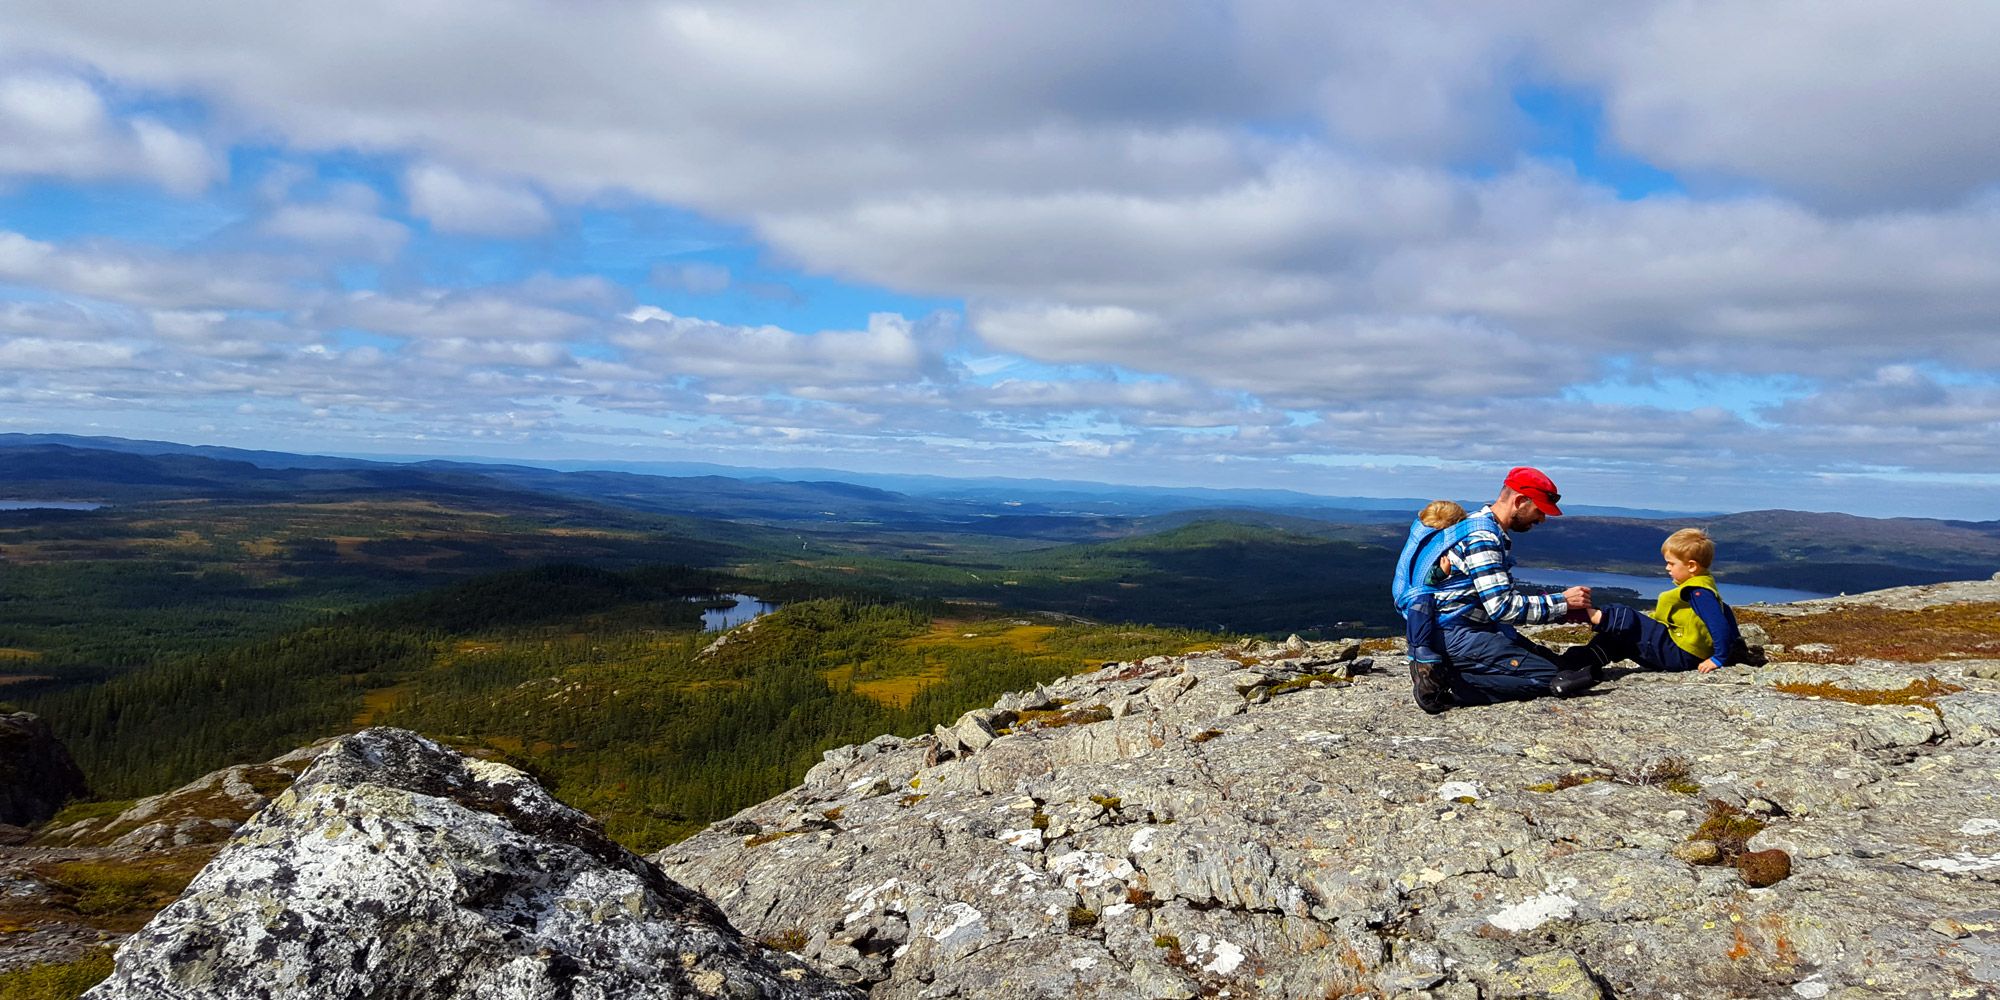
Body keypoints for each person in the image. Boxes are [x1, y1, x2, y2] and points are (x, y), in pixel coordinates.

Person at [1413, 467, 1595, 711]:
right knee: (1553, 678)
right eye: (1539, 510)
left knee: (1564, 669)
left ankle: (1456, 673)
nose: (1541, 519)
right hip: (1458, 635)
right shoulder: (1483, 538)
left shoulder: (1476, 525)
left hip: (1459, 630)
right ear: (1519, 501)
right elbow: (1502, 608)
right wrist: (1563, 602)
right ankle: (1453, 684)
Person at [1552, 528, 1742, 693]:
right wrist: (1737, 643)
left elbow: (1719, 624)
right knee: (1615, 638)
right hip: (1676, 652)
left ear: (1691, 566)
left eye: (1672, 563)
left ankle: (1582, 614)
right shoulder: (1703, 587)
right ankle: (1566, 665)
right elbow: (1725, 613)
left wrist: (1719, 657)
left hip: (1681, 654)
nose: (1667, 568)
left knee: (1627, 617)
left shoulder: (1700, 593)